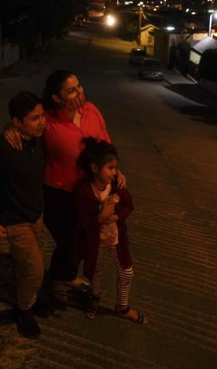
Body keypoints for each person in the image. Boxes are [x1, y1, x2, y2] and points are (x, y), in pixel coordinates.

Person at [5, 70, 125, 305]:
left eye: (78, 86)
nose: (79, 92)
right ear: (57, 98)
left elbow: (105, 145)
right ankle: (58, 280)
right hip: (59, 193)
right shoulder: (47, 121)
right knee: (69, 240)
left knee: (85, 239)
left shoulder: (91, 110)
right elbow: (24, 128)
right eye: (71, 90)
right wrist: (9, 129)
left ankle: (66, 276)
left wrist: (114, 169)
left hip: (90, 192)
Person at [0, 91, 48, 338]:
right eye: (34, 118)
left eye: (42, 116)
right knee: (35, 270)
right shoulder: (1, 147)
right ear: (17, 122)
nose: (41, 123)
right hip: (15, 220)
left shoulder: (37, 139)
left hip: (36, 216)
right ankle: (23, 310)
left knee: (24, 267)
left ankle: (28, 300)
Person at [76, 137, 147, 324]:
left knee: (126, 272)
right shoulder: (84, 190)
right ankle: (96, 298)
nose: (114, 172)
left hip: (116, 238)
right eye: (110, 168)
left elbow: (129, 205)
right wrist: (100, 217)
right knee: (96, 271)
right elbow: (83, 223)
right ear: (94, 168)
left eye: (115, 167)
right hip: (96, 241)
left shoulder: (116, 184)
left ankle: (122, 307)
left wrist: (117, 216)